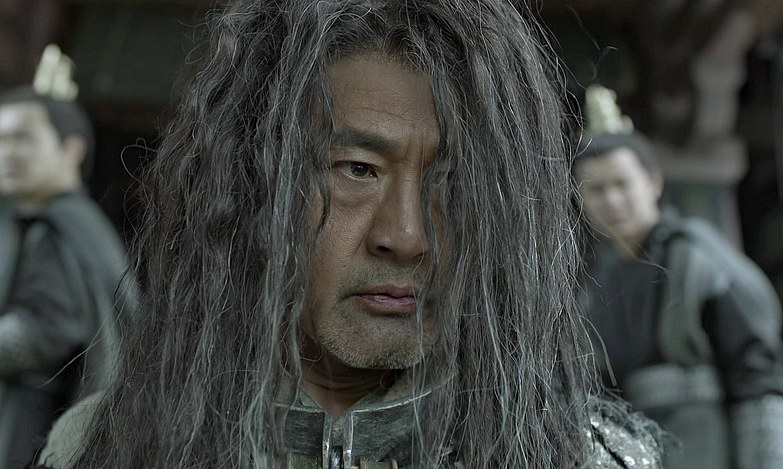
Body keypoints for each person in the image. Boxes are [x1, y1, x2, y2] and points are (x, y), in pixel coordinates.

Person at [36, 2, 663, 468]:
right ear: (257, 190)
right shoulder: (106, 449)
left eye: (452, 183)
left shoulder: (580, 457)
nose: (408, 237)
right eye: (357, 170)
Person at [574, 85, 783, 469]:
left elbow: (761, 376)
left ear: (653, 182)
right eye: (596, 189)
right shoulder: (598, 285)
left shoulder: (700, 258)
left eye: (622, 184)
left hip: (711, 445)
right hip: (639, 449)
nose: (611, 201)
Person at [0, 83, 130, 468]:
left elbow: (47, 333)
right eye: (0, 139)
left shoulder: (60, 229)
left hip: (39, 431)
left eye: (22, 138)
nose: (7, 152)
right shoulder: (66, 224)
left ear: (71, 149)